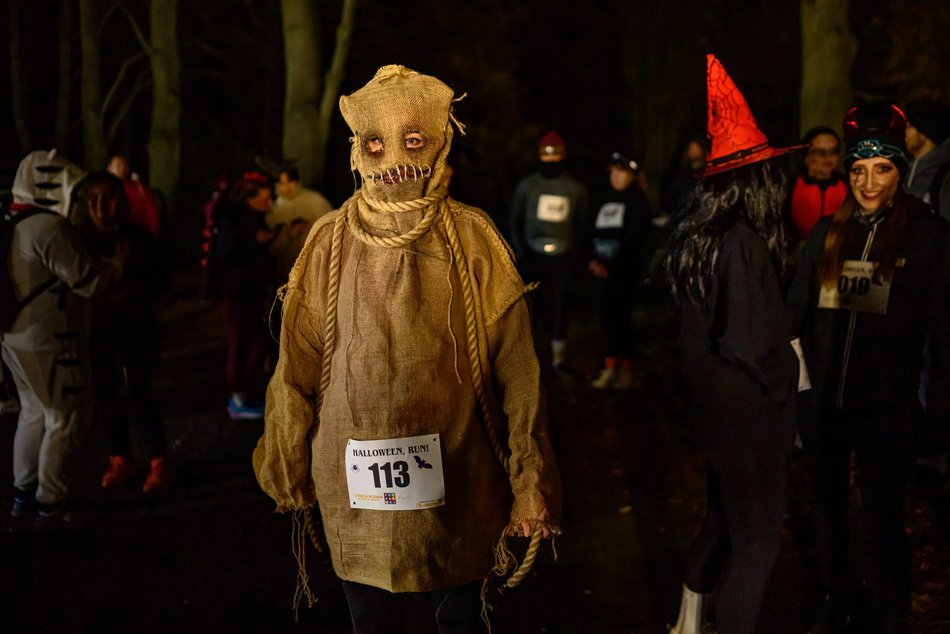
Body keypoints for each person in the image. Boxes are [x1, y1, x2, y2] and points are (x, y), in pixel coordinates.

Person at [253, 65, 561, 633]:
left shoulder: (473, 238)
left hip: (460, 479)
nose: (394, 156)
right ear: (357, 150)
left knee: (459, 615)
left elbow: (520, 372)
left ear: (440, 141)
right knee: (373, 621)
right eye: (376, 141)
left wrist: (528, 481)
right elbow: (295, 365)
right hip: (354, 490)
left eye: (413, 139)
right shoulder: (327, 241)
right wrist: (288, 461)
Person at [787, 103, 950, 633]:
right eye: (858, 169)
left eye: (882, 168)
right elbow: (796, 312)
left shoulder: (929, 235)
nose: (868, 181)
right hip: (827, 404)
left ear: (900, 171)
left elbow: (944, 328)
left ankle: (891, 611)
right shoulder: (827, 233)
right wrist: (800, 391)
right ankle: (836, 600)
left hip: (889, 407)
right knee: (828, 510)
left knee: (883, 515)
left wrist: (935, 406)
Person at [664, 55, 800, 634]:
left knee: (724, 524)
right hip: (749, 420)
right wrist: (787, 389)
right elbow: (751, 343)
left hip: (717, 417)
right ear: (754, 180)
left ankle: (687, 625)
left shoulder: (696, 238)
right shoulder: (742, 244)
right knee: (758, 546)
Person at [2, 150, 122, 528]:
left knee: (34, 413)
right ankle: (51, 504)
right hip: (52, 338)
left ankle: (24, 496)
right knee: (66, 418)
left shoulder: (13, 220)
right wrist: (116, 265)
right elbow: (88, 282)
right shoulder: (49, 228)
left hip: (15, 337)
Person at [72, 171, 171, 493]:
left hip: (136, 329)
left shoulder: (139, 237)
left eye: (109, 197)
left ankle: (158, 461)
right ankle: (120, 458)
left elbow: (159, 280)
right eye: (94, 198)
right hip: (98, 333)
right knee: (105, 395)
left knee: (138, 393)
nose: (102, 205)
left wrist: (131, 293)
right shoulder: (78, 243)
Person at [509, 130, 590, 375]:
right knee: (530, 308)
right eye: (546, 158)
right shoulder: (528, 186)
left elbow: (583, 226)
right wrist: (520, 252)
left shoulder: (575, 189)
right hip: (533, 256)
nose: (551, 162)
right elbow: (515, 220)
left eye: (555, 158)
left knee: (559, 306)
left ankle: (557, 359)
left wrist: (576, 256)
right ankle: (526, 359)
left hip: (562, 258)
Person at [203, 172, 276, 420]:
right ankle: (238, 397)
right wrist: (254, 241)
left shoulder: (252, 218)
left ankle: (246, 391)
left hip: (249, 291)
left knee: (256, 342)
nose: (271, 203)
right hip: (234, 293)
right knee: (240, 342)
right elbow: (227, 254)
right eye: (266, 198)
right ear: (250, 198)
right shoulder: (234, 221)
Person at [588, 151, 652, 390]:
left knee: (621, 319)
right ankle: (609, 366)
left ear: (632, 176)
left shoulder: (638, 203)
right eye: (613, 171)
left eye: (621, 172)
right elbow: (588, 231)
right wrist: (592, 261)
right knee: (605, 319)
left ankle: (627, 370)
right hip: (599, 272)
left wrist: (612, 266)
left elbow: (635, 239)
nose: (615, 176)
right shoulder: (602, 199)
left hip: (623, 273)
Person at [268, 165, 333, 284]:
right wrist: (287, 234)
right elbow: (272, 249)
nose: (288, 187)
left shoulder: (315, 200)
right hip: (286, 273)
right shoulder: (274, 210)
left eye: (291, 181)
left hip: (314, 269)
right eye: (282, 183)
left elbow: (332, 229)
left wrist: (312, 229)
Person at [789, 126, 849, 242]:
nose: (827, 157)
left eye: (833, 151)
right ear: (806, 155)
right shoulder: (792, 185)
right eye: (820, 152)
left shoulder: (847, 184)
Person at [902, 99, 950, 220]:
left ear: (924, 133)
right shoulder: (904, 169)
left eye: (908, 126)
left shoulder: (945, 177)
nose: (902, 133)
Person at [106, 154, 163, 238]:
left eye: (125, 165)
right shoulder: (103, 189)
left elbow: (152, 213)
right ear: (109, 168)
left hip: (139, 237)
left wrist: (151, 237)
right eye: (118, 165)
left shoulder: (140, 189)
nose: (122, 168)